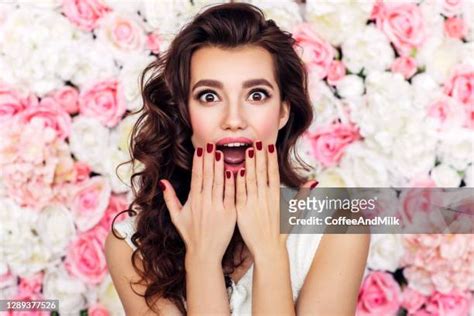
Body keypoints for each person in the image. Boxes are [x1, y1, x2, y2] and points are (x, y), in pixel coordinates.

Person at [105, 3, 370, 315]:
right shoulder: (131, 246)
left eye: (256, 95)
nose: (233, 119)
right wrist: (202, 258)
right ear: (184, 113)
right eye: (209, 96)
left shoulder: (338, 226)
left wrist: (270, 251)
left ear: (283, 111)